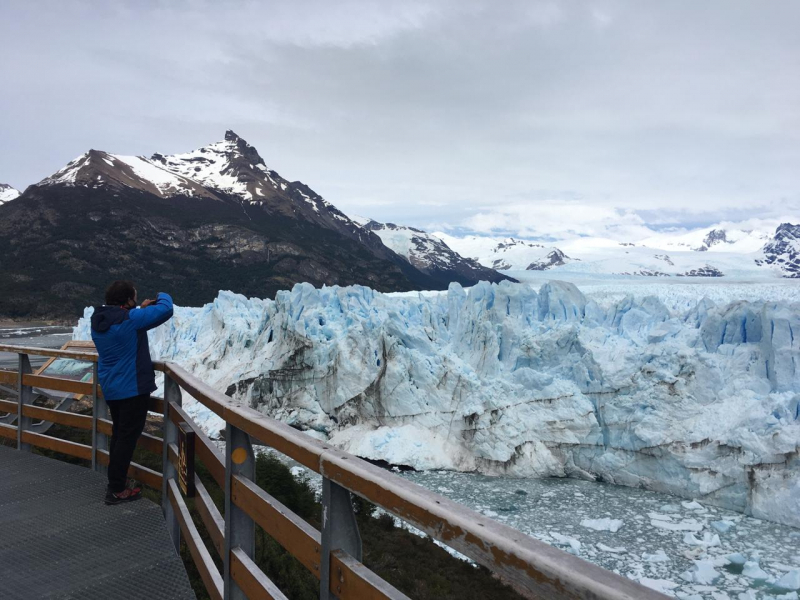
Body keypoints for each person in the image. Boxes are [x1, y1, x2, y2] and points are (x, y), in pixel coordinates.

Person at [91, 280, 173, 505]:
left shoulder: (100, 320)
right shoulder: (131, 320)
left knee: (119, 435)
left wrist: (138, 309)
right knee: (126, 440)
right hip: (132, 389)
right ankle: (116, 489)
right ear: (127, 300)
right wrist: (162, 291)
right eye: (134, 297)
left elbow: (123, 323)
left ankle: (117, 484)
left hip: (112, 388)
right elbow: (166, 309)